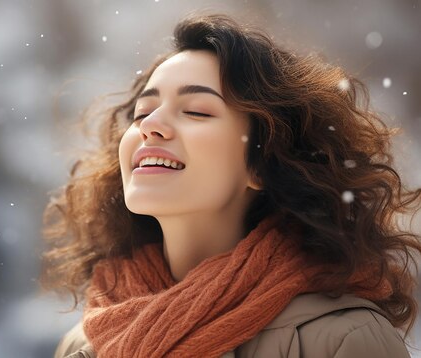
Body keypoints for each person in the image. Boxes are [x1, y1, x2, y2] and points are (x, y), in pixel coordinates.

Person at [41, 13, 421, 358]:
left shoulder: (341, 340)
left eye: (196, 111)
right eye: (143, 111)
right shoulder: (85, 343)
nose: (150, 125)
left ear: (261, 162)